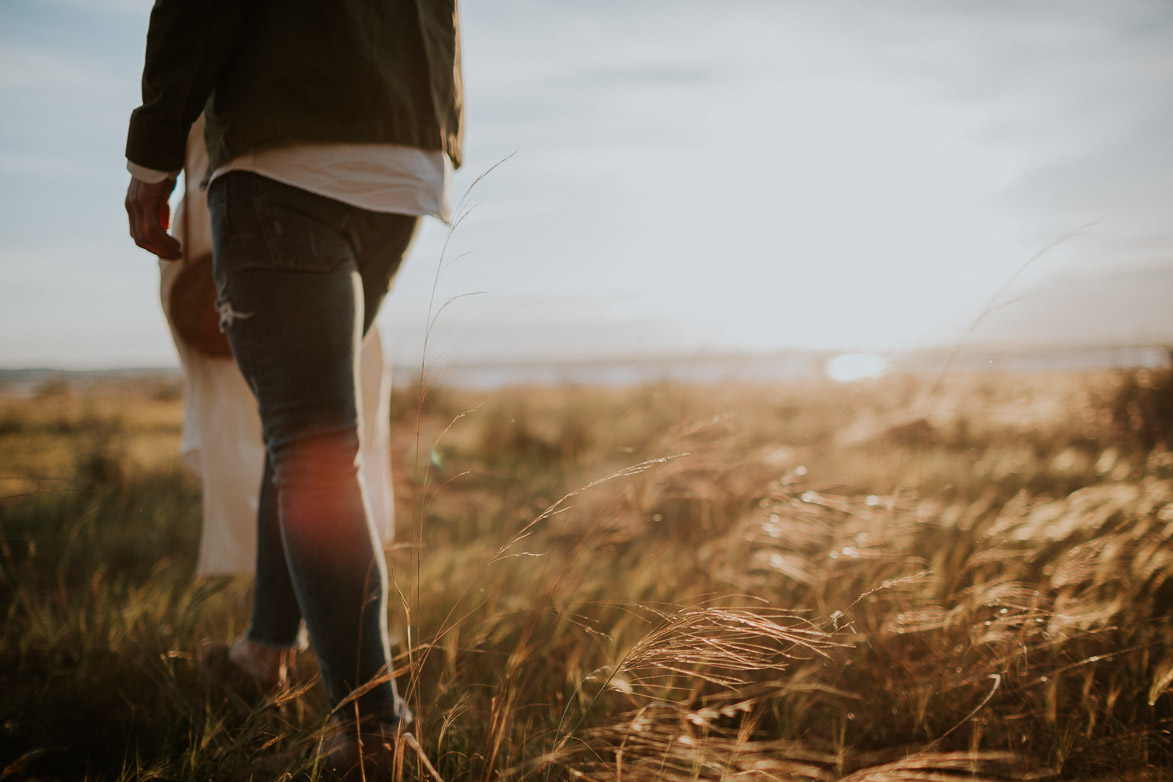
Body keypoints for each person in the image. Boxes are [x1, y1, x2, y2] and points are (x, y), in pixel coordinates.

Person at [124, 1, 464, 775]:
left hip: (286, 146)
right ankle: (263, 653)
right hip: (405, 151)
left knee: (312, 444)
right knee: (309, 430)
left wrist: (152, 159)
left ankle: (375, 734)